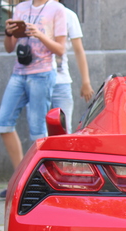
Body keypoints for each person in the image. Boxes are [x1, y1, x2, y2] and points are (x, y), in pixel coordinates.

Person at [0, 0, 67, 198]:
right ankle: (21, 178)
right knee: (3, 123)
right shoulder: (20, 8)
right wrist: (9, 33)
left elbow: (61, 49)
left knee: (38, 130)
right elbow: (9, 48)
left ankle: (37, 183)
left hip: (42, 74)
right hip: (19, 73)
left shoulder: (57, 9)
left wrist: (40, 34)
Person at [51, 0, 94, 133]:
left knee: (64, 128)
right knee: (39, 128)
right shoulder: (36, 14)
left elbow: (79, 50)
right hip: (37, 79)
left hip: (61, 80)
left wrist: (86, 82)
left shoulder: (68, 15)